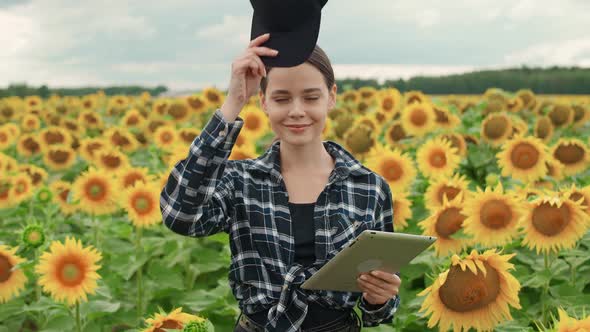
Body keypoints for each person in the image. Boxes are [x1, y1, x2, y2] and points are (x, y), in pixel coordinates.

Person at [160, 32, 401, 332]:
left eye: (311, 97)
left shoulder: (368, 187)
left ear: (332, 97)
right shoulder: (241, 181)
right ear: (262, 101)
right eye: (282, 98)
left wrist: (379, 297)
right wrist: (233, 101)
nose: (297, 110)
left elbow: (379, 312)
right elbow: (180, 215)